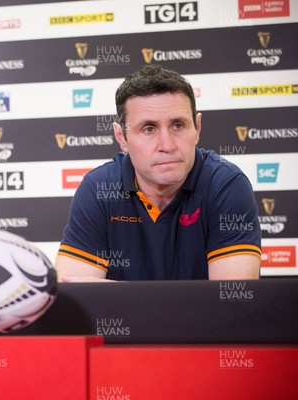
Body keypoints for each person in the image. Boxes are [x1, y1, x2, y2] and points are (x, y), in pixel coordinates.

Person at [56, 64, 261, 281]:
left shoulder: (226, 186)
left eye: (178, 125)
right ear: (121, 138)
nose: (167, 145)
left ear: (197, 128)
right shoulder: (98, 189)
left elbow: (231, 300)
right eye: (149, 129)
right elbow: (76, 291)